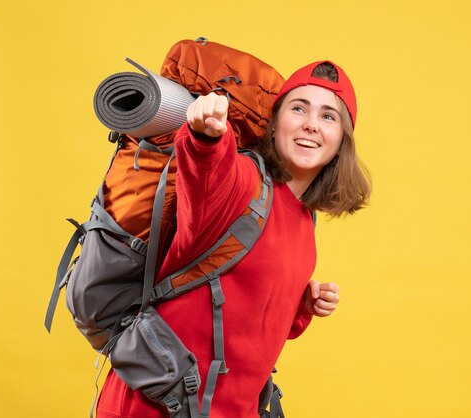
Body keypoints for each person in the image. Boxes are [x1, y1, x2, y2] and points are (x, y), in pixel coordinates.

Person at [96, 60, 371, 418]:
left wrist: (304, 304)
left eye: (328, 116)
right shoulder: (244, 183)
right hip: (151, 408)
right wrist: (207, 135)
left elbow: (257, 328)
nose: (311, 124)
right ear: (274, 127)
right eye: (299, 108)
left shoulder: (305, 222)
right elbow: (209, 172)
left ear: (340, 143)